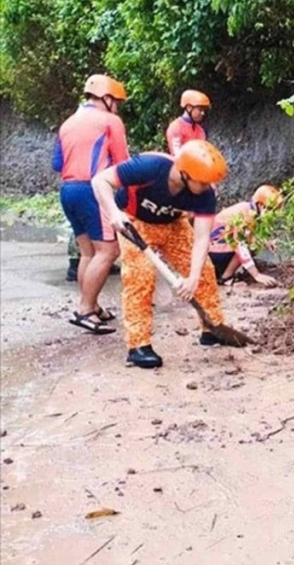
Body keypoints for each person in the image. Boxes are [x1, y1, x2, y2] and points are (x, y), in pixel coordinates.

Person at [91, 140, 235, 368]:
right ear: (185, 173)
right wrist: (113, 212)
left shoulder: (205, 195)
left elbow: (201, 238)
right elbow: (101, 180)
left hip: (173, 224)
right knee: (140, 276)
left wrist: (193, 278)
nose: (208, 187)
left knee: (205, 271)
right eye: (204, 182)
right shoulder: (149, 167)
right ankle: (139, 346)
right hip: (134, 222)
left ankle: (212, 329)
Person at [54, 73, 129, 334]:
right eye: (116, 101)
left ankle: (91, 305)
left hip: (68, 190)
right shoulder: (111, 121)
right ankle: (85, 310)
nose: (117, 106)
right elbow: (122, 164)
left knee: (88, 252)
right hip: (92, 190)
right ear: (106, 98)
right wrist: (127, 199)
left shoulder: (67, 123)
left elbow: (57, 164)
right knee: (108, 251)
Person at [208, 184, 282, 287]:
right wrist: (256, 275)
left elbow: (249, 236)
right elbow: (241, 246)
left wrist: (266, 243)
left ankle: (224, 273)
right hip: (212, 251)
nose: (273, 214)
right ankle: (226, 277)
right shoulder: (245, 214)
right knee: (247, 245)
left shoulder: (249, 210)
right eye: (270, 210)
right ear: (260, 205)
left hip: (215, 249)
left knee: (252, 244)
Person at [166, 89, 209, 155]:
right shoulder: (175, 128)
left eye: (203, 110)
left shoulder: (201, 129)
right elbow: (177, 156)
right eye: (200, 110)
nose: (203, 113)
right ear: (189, 108)